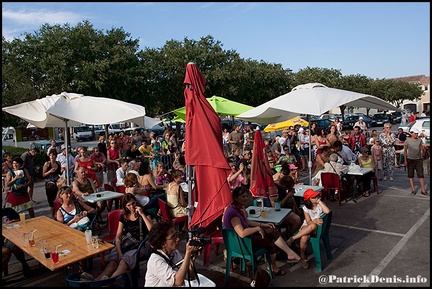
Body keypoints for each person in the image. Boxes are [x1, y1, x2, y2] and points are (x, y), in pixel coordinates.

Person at [223, 186, 300, 276]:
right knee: (270, 243)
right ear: (235, 198)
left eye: (246, 196)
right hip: (241, 243)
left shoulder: (237, 207)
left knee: (271, 230)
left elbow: (246, 221)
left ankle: (289, 253)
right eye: (243, 197)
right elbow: (242, 233)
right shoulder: (233, 213)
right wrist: (257, 228)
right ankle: (273, 267)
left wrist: (263, 225)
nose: (246, 198)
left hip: (244, 239)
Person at [81, 193, 153, 281]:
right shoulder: (124, 216)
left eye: (133, 203)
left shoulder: (143, 212)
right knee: (112, 262)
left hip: (139, 245)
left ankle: (109, 281)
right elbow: (118, 237)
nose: (132, 207)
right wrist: (119, 253)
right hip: (125, 243)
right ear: (125, 206)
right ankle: (97, 280)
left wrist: (142, 215)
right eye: (129, 205)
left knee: (124, 261)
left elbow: (152, 230)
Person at [144, 221, 201, 287]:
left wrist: (191, 259)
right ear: (162, 243)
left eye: (177, 235)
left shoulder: (174, 253)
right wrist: (187, 253)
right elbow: (177, 282)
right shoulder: (155, 261)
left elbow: (191, 277)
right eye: (173, 237)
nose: (178, 239)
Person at [286, 189, 330, 270]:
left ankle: (293, 239)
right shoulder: (306, 208)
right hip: (308, 226)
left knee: (313, 226)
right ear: (309, 200)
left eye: (317, 196)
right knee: (304, 237)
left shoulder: (320, 205)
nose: (317, 197)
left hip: (317, 229)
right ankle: (303, 257)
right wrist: (314, 221)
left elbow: (327, 211)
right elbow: (308, 222)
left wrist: (320, 202)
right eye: (314, 197)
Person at [2, 207, 31, 278]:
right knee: (6, 251)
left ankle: (24, 264)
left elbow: (18, 219)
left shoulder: (8, 210)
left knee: (15, 246)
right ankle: (25, 265)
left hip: (10, 237)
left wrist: (14, 221)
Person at [404, 128, 427, 196]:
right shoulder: (407, 141)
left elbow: (421, 149)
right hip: (410, 159)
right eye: (415, 133)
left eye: (417, 133)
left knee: (421, 175)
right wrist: (405, 160)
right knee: (411, 175)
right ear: (411, 133)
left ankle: (423, 190)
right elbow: (405, 151)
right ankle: (413, 189)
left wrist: (421, 155)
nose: (416, 135)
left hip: (418, 159)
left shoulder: (419, 140)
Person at [42, 149, 62, 219]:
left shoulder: (58, 163)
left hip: (57, 183)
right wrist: (50, 171)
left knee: (58, 199)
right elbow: (43, 175)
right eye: (50, 155)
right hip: (49, 184)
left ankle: (58, 215)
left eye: (53, 155)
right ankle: (52, 216)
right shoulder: (47, 164)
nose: (52, 157)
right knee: (51, 201)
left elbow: (59, 173)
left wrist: (62, 170)